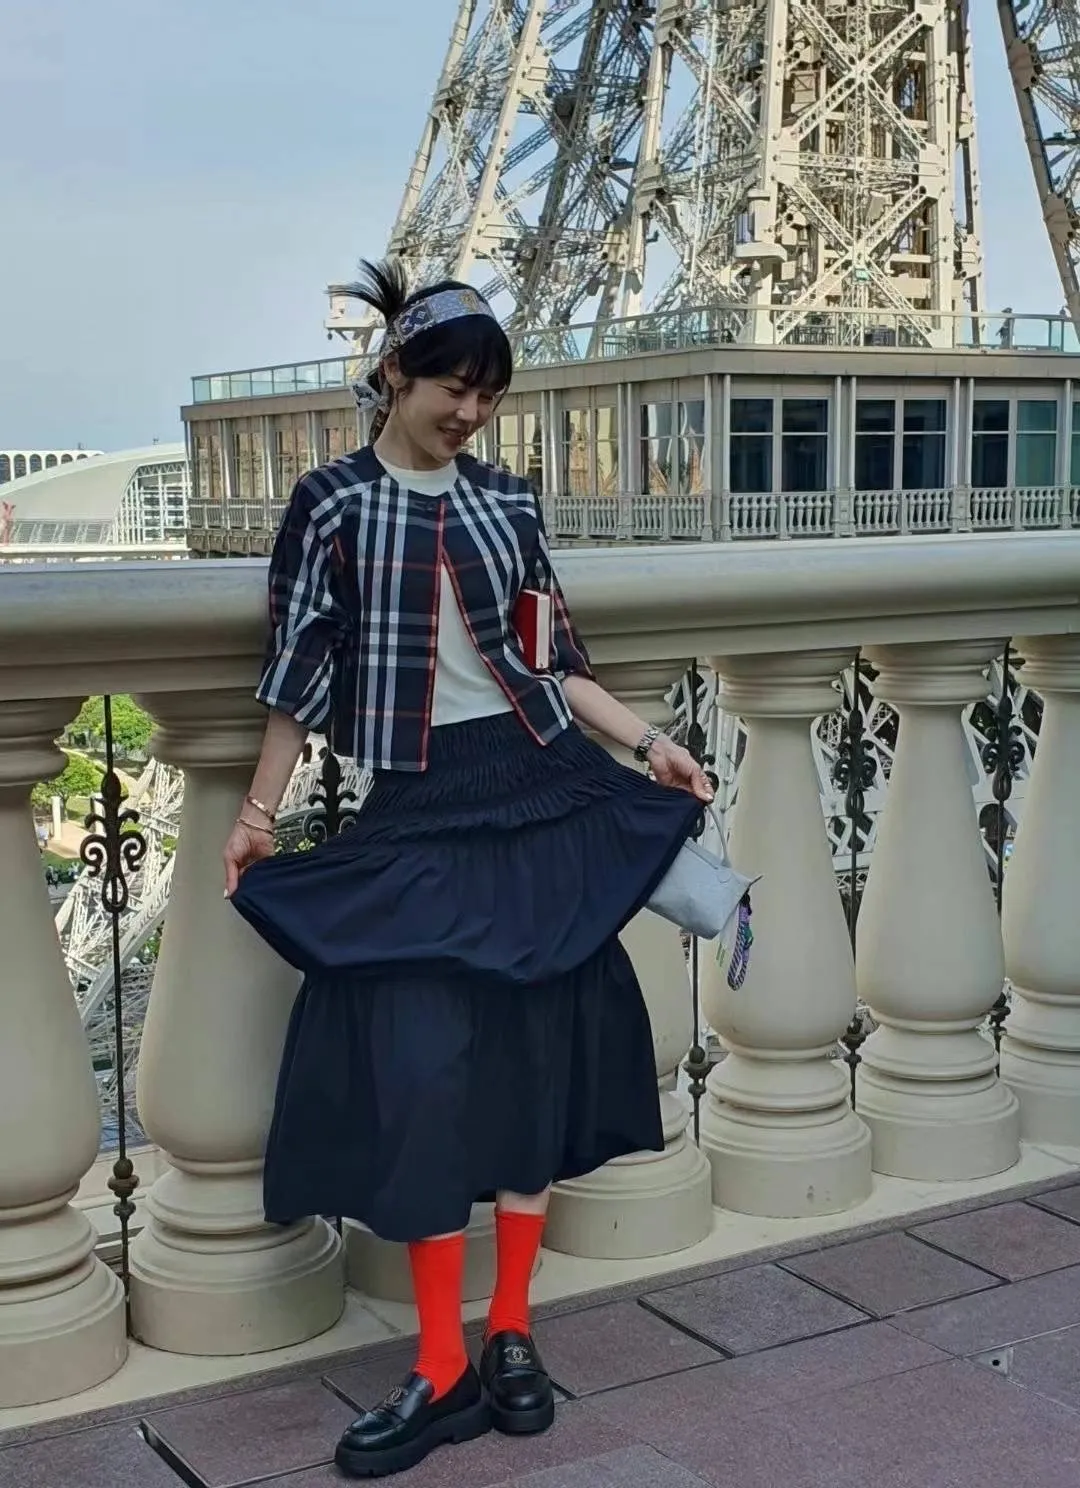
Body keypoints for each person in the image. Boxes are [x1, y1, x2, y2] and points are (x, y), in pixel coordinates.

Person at [224, 259, 712, 1480]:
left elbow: (556, 658)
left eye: (489, 395)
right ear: (395, 373)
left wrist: (649, 745)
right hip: (418, 805)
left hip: (537, 787)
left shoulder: (506, 504)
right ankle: (440, 1362)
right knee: (422, 1075)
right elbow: (296, 671)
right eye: (453, 386)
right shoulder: (332, 503)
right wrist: (258, 813)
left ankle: (508, 1336)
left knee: (534, 1067)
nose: (471, 412)